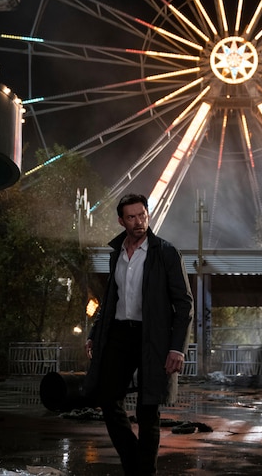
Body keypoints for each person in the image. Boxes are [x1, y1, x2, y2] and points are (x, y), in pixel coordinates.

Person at [83, 193, 194, 476]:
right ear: (121, 221)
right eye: (131, 217)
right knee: (108, 399)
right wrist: (95, 333)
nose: (138, 222)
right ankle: (138, 467)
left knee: (148, 410)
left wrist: (177, 347)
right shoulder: (116, 253)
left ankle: (143, 472)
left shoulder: (166, 253)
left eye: (142, 215)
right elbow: (110, 300)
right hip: (119, 334)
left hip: (153, 336)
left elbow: (184, 304)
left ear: (148, 215)